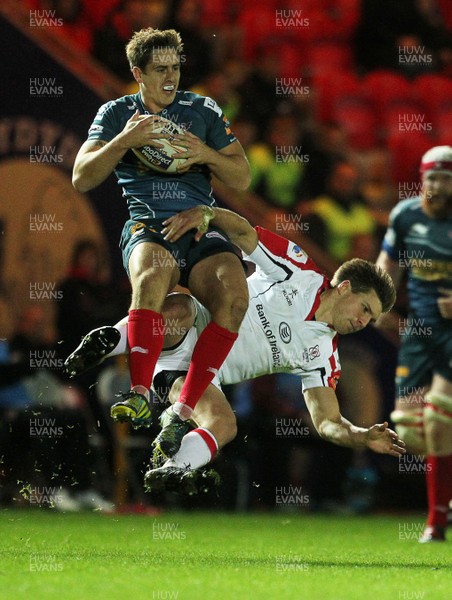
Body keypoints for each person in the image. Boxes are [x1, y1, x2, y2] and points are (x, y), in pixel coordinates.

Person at [65, 205, 405, 494]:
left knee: (224, 424)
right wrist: (208, 213)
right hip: (189, 325)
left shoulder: (324, 356)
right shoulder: (299, 271)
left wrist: (360, 435)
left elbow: (327, 421)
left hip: (190, 375)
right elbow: (244, 234)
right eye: (364, 308)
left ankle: (172, 469)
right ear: (344, 288)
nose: (363, 321)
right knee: (182, 309)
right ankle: (110, 340)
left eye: (371, 318)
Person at [72, 28, 250, 455]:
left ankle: (184, 407)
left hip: (199, 225)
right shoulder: (117, 113)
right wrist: (125, 141)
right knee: (151, 277)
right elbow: (81, 177)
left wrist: (204, 153)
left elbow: (242, 177)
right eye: (160, 70)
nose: (171, 78)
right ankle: (138, 392)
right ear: (138, 73)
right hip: (149, 226)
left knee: (234, 295)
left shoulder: (202, 110)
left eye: (175, 68)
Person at [376, 145, 452, 543]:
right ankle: (446, 495)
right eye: (431, 177)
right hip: (419, 332)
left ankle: (435, 523)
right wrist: (376, 299)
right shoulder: (405, 215)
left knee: (441, 417)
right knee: (407, 428)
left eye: (446, 178)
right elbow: (388, 264)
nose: (437, 186)